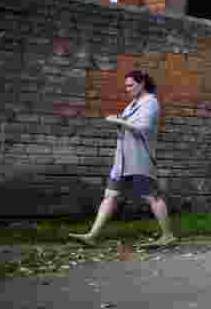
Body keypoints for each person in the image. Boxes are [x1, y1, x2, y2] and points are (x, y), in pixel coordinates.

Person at [70, 70, 176, 247]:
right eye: (126, 86)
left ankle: (168, 235)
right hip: (122, 161)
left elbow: (142, 127)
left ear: (141, 83)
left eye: (130, 85)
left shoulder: (150, 103)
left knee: (152, 197)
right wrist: (119, 121)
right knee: (110, 195)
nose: (127, 89)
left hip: (139, 160)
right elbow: (128, 125)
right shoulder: (132, 104)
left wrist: (119, 121)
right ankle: (92, 235)